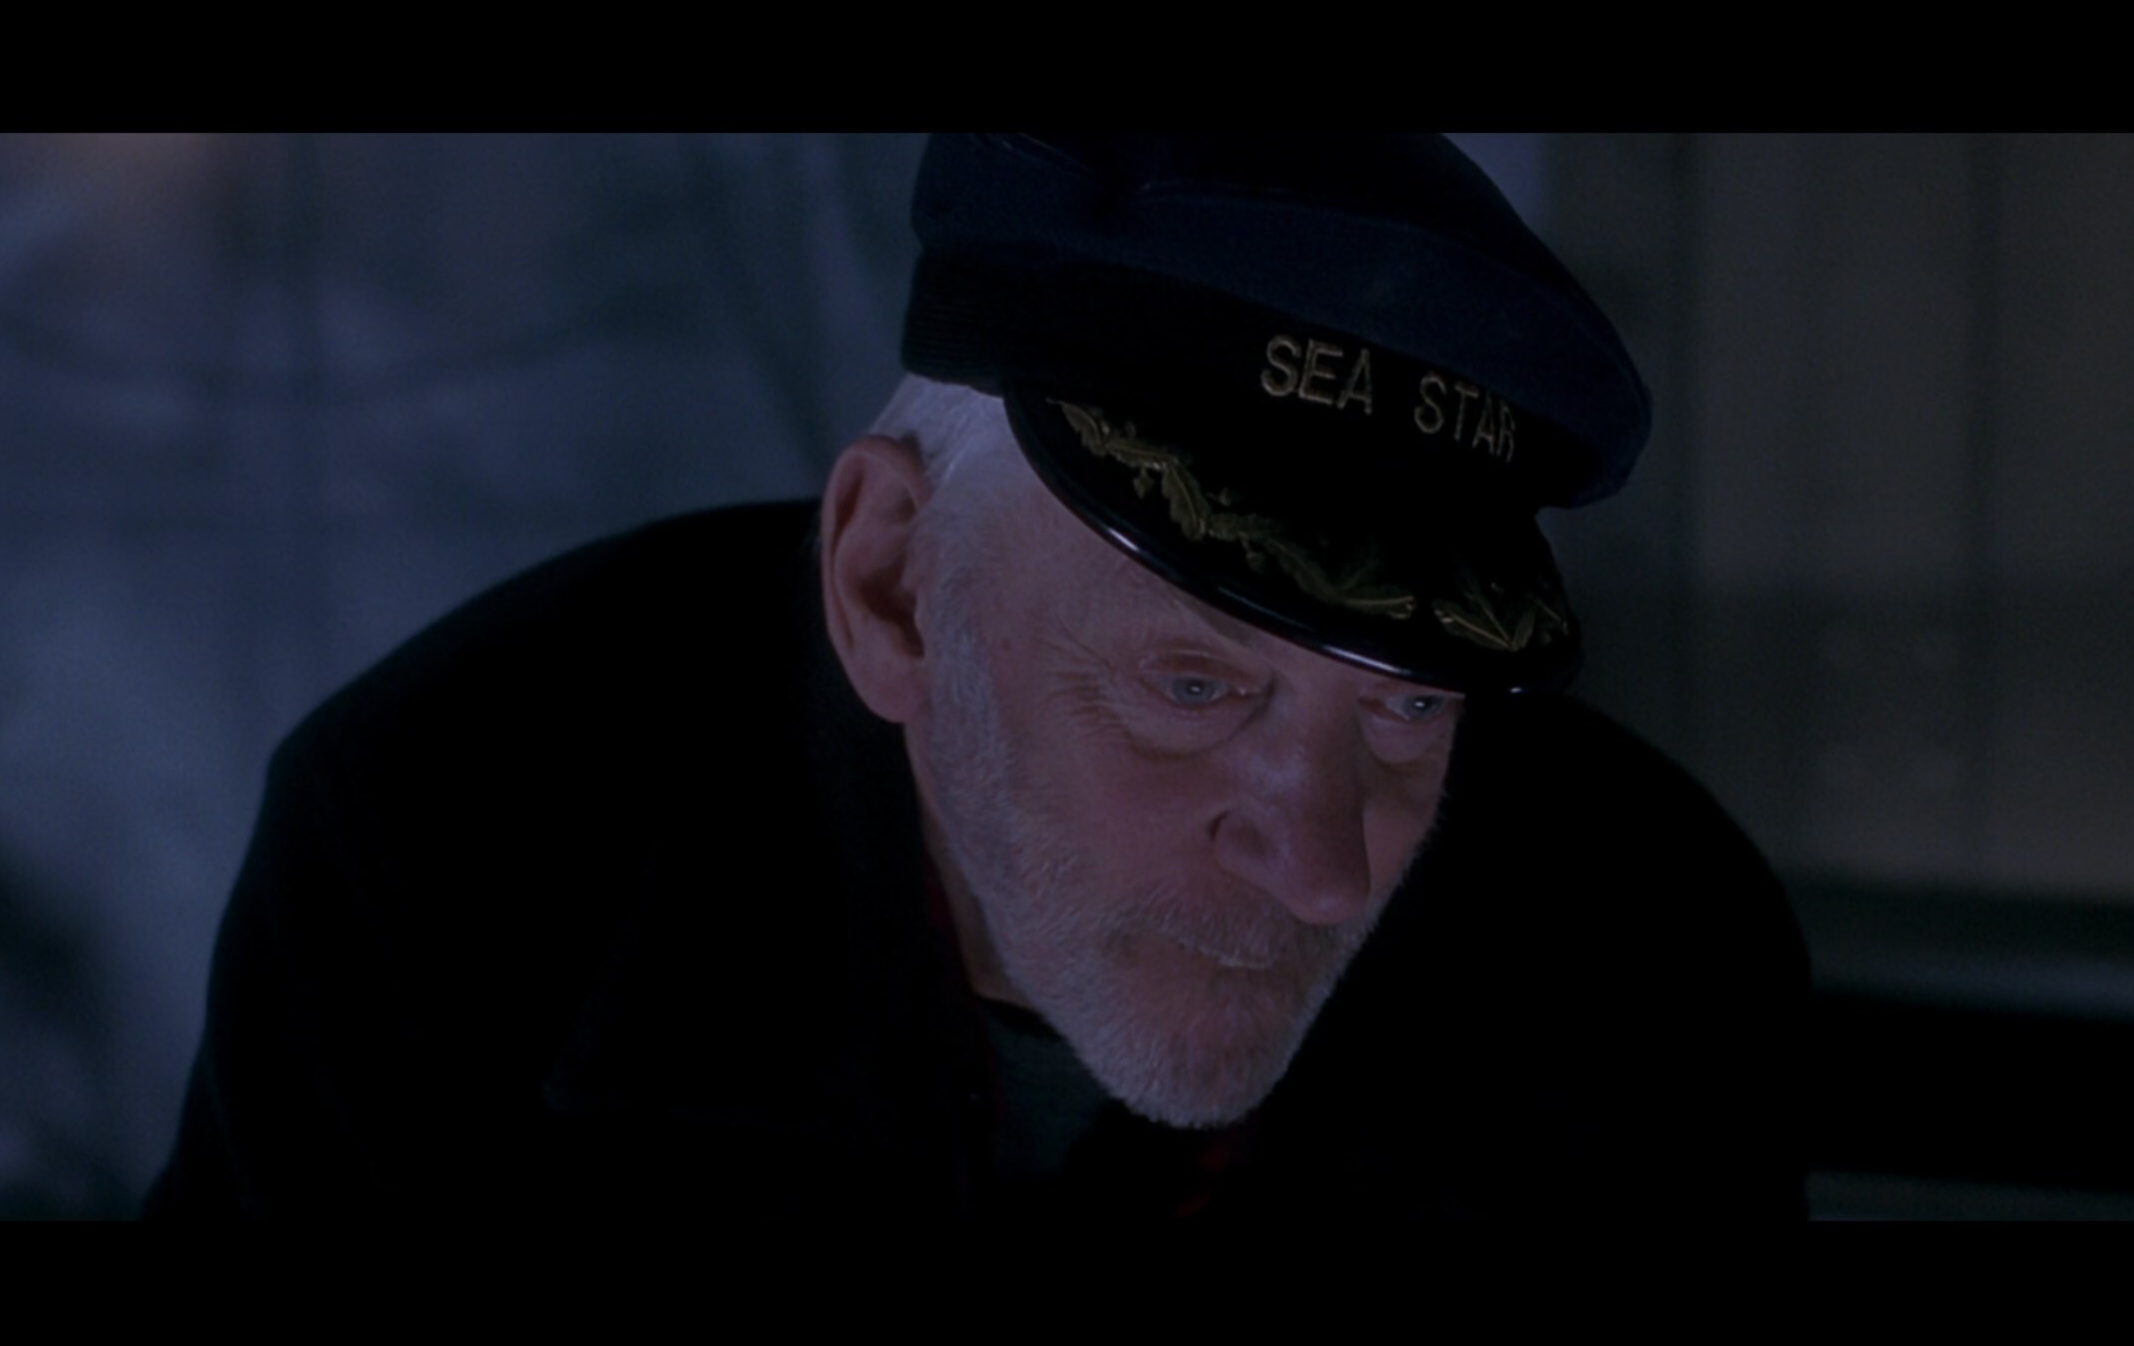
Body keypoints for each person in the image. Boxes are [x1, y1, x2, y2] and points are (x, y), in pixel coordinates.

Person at [146, 134, 1807, 1220]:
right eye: (1193, 685)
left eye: (1406, 704)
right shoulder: (442, 846)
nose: (1321, 865)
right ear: (891, 583)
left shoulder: (1642, 943)